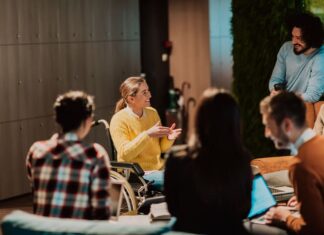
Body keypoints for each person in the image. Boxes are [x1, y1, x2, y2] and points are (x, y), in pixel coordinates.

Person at [164, 88, 252, 235]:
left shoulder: (177, 159)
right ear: (235, 122)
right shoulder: (242, 159)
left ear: (199, 119)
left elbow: (173, 209)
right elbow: (244, 211)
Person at [26, 91, 111, 220]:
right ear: (88, 120)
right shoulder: (95, 154)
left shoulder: (36, 150)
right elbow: (102, 213)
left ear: (58, 119)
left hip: (42, 230)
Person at [260, 92, 324, 234]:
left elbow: (313, 231)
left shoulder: (301, 164)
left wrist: (285, 216)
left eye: (269, 126)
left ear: (287, 125)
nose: (266, 133)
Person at [110, 76, 181, 171]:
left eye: (148, 91)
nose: (150, 95)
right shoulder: (118, 119)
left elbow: (161, 149)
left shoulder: (152, 113)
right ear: (131, 99)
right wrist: (147, 134)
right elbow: (125, 154)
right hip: (136, 174)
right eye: (144, 93)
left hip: (158, 169)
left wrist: (169, 138)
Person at [269, 12, 324, 102]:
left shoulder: (321, 57)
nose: (293, 42)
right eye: (292, 36)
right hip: (284, 104)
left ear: (311, 37)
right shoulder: (286, 48)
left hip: (306, 107)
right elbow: (275, 80)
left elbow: (312, 96)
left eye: (298, 38)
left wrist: (285, 97)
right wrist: (275, 91)